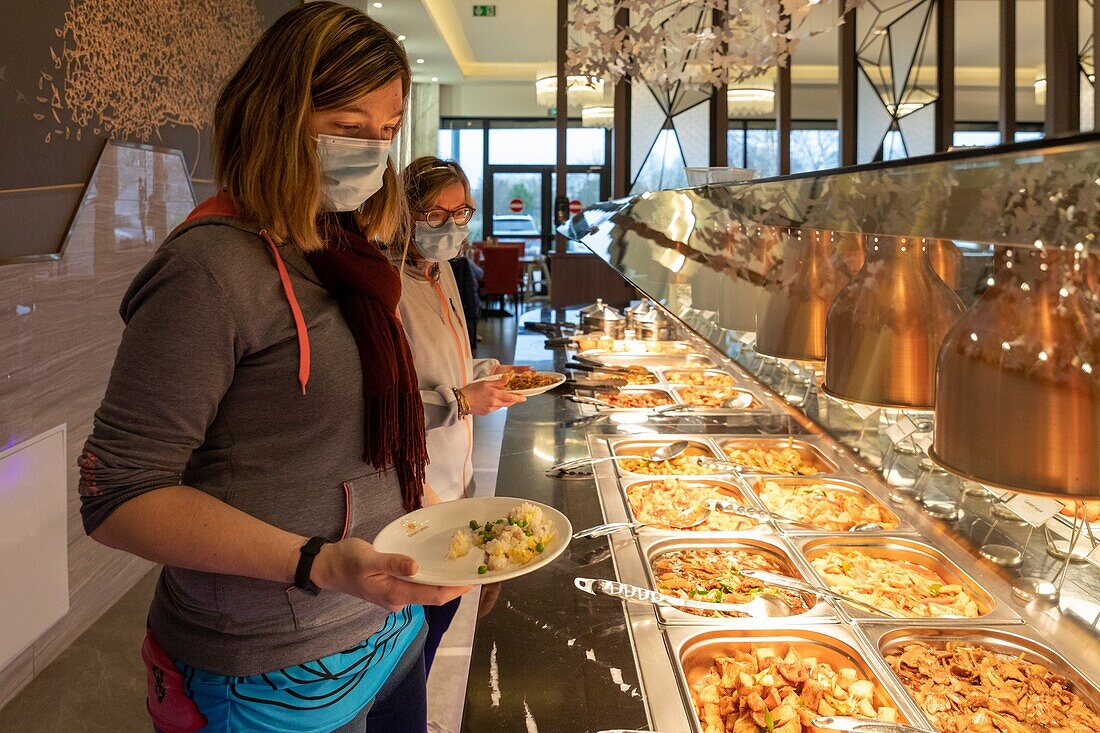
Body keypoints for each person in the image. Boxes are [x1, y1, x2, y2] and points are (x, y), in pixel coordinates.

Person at [76, 5, 467, 732]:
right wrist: (317, 560)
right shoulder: (211, 268)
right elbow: (119, 494)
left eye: (385, 132)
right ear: (276, 115)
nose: (373, 152)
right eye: (349, 129)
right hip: (269, 672)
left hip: (386, 632)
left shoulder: (348, 254)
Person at [397, 156, 528, 671]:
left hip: (457, 474)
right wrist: (459, 402)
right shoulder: (388, 285)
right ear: (403, 214)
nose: (452, 225)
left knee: (444, 612)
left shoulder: (443, 272)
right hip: (414, 482)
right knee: (415, 632)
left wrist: (491, 370)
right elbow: (379, 400)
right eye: (435, 214)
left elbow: (449, 362)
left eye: (462, 211)